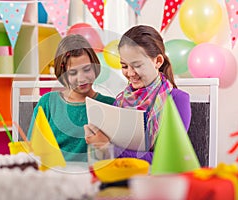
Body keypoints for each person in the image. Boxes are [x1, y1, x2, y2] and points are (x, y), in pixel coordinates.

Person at [84, 25, 191, 164]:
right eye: (124, 66)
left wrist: (109, 148)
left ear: (157, 61)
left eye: (138, 65)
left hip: (157, 180)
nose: (130, 73)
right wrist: (96, 142)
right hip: (120, 175)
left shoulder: (177, 99)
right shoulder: (121, 101)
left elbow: (169, 159)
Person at [27, 34, 115, 162]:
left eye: (87, 69)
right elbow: (33, 149)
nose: (82, 78)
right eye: (73, 72)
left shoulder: (111, 104)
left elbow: (119, 154)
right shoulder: (48, 103)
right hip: (56, 176)